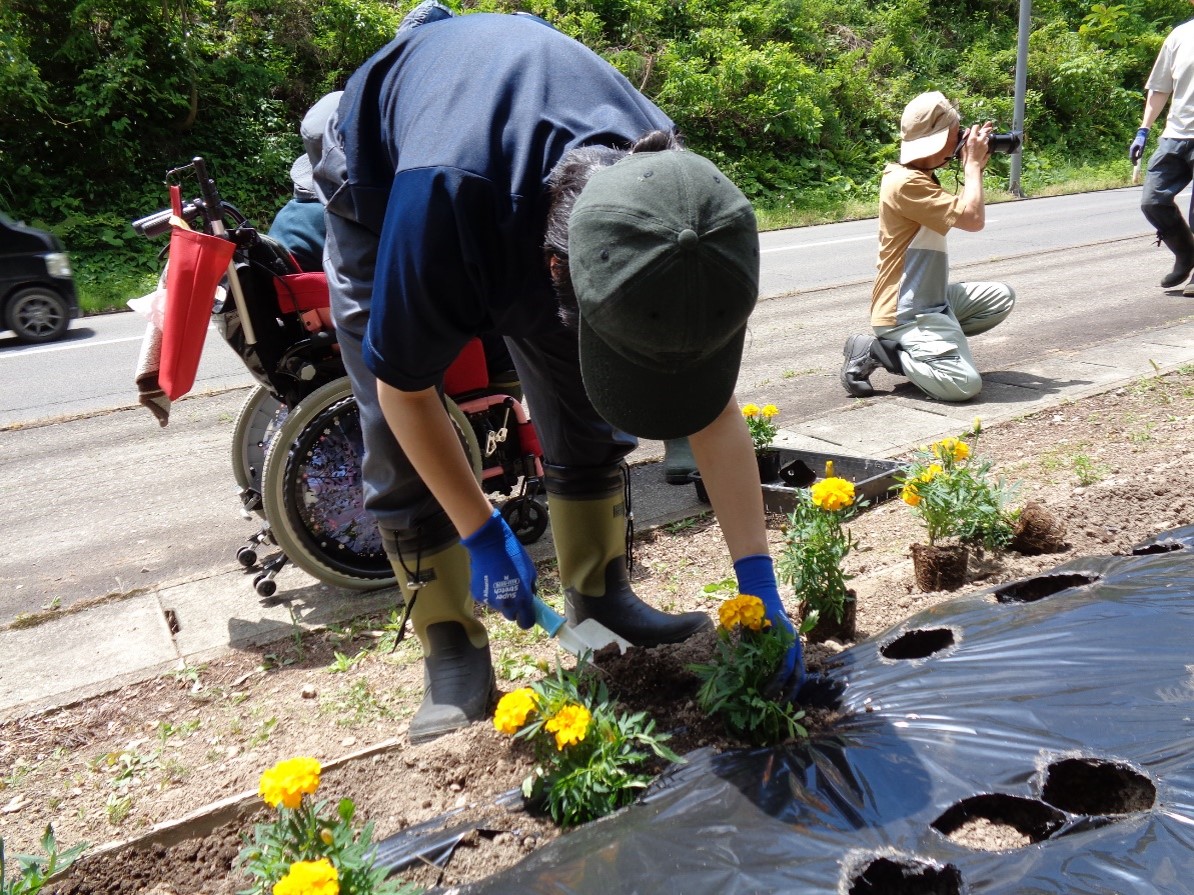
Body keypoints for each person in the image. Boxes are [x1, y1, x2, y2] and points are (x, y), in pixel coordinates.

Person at [313, 3, 802, 743]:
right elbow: (402, 392)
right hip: (384, 172)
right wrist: (480, 529)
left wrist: (759, 583)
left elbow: (711, 404)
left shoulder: (670, 200)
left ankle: (599, 591)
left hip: (513, 166)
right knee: (391, 429)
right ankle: (451, 643)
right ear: (555, 267)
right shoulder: (441, 203)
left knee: (583, 390)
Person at [840, 91, 1015, 402]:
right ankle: (878, 350)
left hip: (931, 302)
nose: (960, 140)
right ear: (936, 139)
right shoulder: (906, 183)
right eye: (955, 134)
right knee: (963, 384)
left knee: (1000, 298)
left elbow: (964, 210)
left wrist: (970, 157)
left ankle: (935, 345)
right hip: (905, 313)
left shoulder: (921, 175)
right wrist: (971, 166)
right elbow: (973, 219)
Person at [1132, 2, 1194, 294]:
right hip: (1176, 134)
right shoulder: (1179, 36)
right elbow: (1160, 87)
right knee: (1153, 200)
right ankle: (1186, 252)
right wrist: (1143, 130)